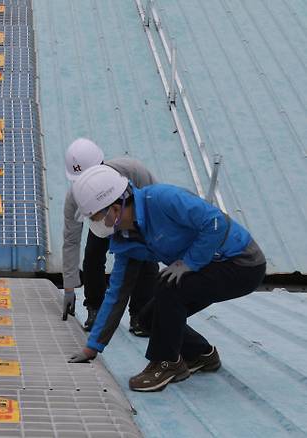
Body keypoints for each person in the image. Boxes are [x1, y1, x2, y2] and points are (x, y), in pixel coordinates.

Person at [70, 165, 266, 391]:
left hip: (241, 263)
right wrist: (92, 347)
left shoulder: (162, 199)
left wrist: (189, 263)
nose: (99, 224)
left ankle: (167, 363)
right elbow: (116, 295)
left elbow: (215, 222)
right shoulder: (126, 240)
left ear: (115, 209)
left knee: (169, 287)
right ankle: (202, 355)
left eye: (97, 217)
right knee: (148, 319)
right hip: (210, 267)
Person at [62, 138, 157, 333]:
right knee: (92, 257)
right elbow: (71, 241)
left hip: (136, 220)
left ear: (102, 164)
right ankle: (95, 309)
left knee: (147, 261)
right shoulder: (74, 197)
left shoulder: (133, 170)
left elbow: (154, 203)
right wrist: (69, 288)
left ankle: (141, 315)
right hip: (102, 226)